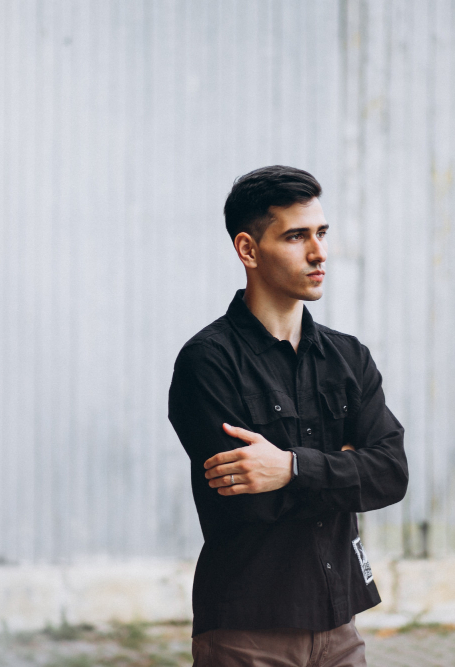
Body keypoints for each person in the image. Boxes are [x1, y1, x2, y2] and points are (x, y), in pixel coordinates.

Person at [167, 166, 408, 666]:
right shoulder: (208, 361)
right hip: (248, 631)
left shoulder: (349, 358)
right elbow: (248, 503)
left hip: (340, 629)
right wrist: (345, 463)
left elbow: (390, 473)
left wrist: (290, 468)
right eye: (297, 236)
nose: (319, 253)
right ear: (248, 250)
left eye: (321, 233)